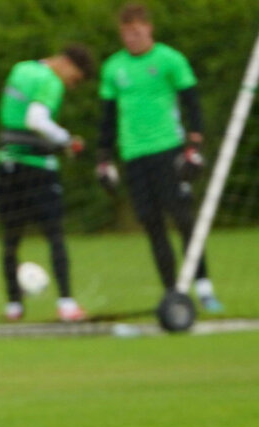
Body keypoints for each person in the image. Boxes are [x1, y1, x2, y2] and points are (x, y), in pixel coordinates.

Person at [96, 3, 221, 311]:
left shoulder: (169, 59)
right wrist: (104, 156)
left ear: (149, 28)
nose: (132, 38)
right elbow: (108, 118)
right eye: (126, 33)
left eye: (137, 31)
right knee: (151, 224)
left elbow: (191, 102)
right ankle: (172, 294)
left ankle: (204, 287)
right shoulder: (113, 68)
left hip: (168, 149)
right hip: (134, 155)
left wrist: (195, 142)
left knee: (183, 219)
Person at [0, 45, 96, 322]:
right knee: (55, 235)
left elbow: (12, 114)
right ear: (68, 65)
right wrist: (67, 141)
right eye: (74, 80)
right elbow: (36, 119)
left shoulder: (20, 69)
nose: (69, 85)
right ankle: (66, 304)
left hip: (7, 163)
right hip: (37, 168)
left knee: (11, 237)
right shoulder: (50, 81)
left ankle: (14, 306)